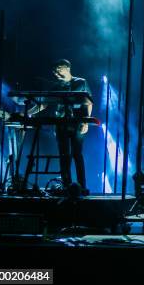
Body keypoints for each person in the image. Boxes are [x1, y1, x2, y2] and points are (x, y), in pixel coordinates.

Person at [50, 59, 93, 193]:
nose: (57, 71)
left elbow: (89, 102)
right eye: (55, 69)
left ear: (68, 68)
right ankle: (66, 186)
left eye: (59, 68)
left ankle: (82, 186)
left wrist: (86, 121)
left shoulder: (81, 82)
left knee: (76, 154)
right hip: (61, 123)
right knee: (64, 155)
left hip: (77, 122)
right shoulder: (57, 85)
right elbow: (44, 103)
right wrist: (27, 112)